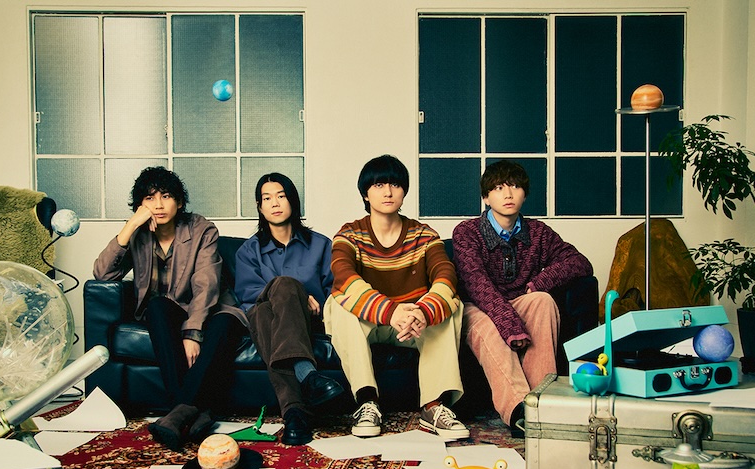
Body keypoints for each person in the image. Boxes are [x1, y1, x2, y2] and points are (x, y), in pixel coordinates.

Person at [94, 166, 245, 451]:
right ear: (140, 205)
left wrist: (192, 332)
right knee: (157, 307)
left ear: (179, 201)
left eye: (166, 196)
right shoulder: (138, 233)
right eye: (150, 198)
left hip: (210, 310)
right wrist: (130, 226)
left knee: (225, 323)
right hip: (168, 312)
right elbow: (103, 274)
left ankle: (177, 415)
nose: (159, 205)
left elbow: (206, 283)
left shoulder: (201, 229)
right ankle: (198, 412)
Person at [324, 154, 468, 440]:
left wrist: (424, 312)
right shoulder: (349, 234)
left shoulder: (424, 235)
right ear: (365, 193)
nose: (388, 192)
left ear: (404, 191)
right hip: (371, 321)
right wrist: (391, 312)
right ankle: (367, 402)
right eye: (378, 185)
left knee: (453, 303)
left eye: (395, 185)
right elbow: (343, 277)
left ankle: (433, 406)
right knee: (337, 303)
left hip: (413, 323)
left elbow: (445, 275)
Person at [452, 160, 593, 436]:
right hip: (475, 307)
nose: (508, 194)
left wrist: (541, 281)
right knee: (488, 325)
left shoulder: (538, 233)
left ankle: (543, 402)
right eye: (498, 188)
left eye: (515, 187)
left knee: (542, 301)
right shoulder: (467, 232)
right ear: (486, 197)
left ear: (524, 194)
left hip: (518, 303)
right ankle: (519, 410)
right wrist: (508, 324)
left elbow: (580, 262)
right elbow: (477, 283)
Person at [234, 173, 343, 446]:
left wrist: (305, 300)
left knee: (279, 293)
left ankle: (294, 408)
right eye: (267, 198)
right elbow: (248, 298)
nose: (275, 203)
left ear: (293, 201)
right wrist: (295, 294)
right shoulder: (248, 251)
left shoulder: (321, 245)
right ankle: (298, 405)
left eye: (281, 196)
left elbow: (336, 291)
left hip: (311, 322)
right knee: (266, 307)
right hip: (265, 321)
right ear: (259, 207)